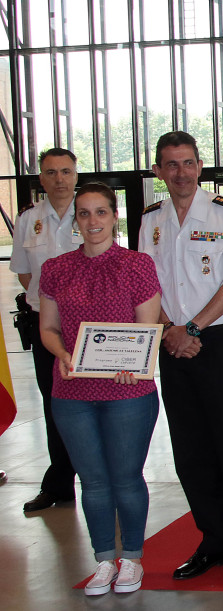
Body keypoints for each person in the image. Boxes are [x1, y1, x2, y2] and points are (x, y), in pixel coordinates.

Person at [139, 131, 223, 581]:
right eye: (171, 165)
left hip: (218, 342)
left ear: (200, 167)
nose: (180, 172)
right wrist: (171, 331)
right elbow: (146, 287)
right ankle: (212, 543)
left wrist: (191, 328)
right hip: (172, 344)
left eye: (188, 163)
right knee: (191, 453)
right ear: (158, 171)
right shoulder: (151, 220)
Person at [38, 182, 162, 595]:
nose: (93, 221)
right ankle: (104, 559)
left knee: (125, 478)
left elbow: (149, 329)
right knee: (91, 481)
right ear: (76, 219)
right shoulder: (56, 268)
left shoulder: (137, 265)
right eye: (85, 213)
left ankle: (132, 560)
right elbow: (49, 329)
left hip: (127, 392)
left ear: (114, 216)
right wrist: (63, 354)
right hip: (71, 391)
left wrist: (136, 365)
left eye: (101, 212)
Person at [11, 148, 81, 513]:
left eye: (66, 171)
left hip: (87, 326)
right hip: (47, 326)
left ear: (75, 175)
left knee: (94, 404)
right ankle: (60, 484)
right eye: (51, 172)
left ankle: (99, 480)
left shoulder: (88, 213)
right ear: (41, 178)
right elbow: (25, 273)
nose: (59, 179)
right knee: (54, 405)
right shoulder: (29, 219)